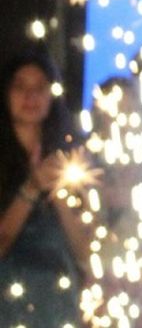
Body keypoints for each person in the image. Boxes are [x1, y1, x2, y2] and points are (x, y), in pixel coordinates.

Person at [0, 47, 90, 327]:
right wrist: (32, 187)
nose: (31, 96)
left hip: (58, 302)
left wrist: (57, 188)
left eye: (40, 87)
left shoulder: (70, 155)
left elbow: (86, 251)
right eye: (20, 87)